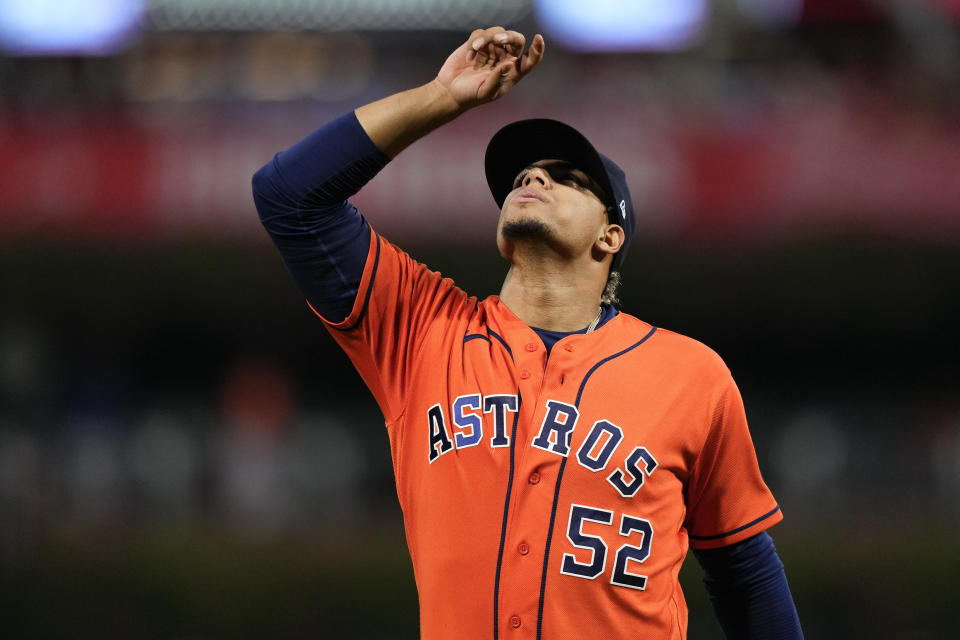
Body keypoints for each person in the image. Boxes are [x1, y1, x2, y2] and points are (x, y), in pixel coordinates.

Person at [252, 26, 803, 640]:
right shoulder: (424, 330)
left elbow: (745, 571)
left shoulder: (692, 376)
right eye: (523, 175)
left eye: (566, 177)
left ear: (610, 236)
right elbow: (289, 196)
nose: (532, 178)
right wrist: (442, 96)